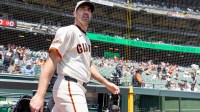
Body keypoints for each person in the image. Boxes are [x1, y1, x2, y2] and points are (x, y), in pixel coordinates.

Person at [29, 1, 120, 112]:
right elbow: (51, 61)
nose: (86, 12)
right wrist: (39, 95)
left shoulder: (87, 39)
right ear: (74, 14)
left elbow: (89, 65)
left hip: (76, 88)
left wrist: (107, 83)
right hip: (69, 86)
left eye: (89, 10)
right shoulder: (68, 31)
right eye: (82, 9)